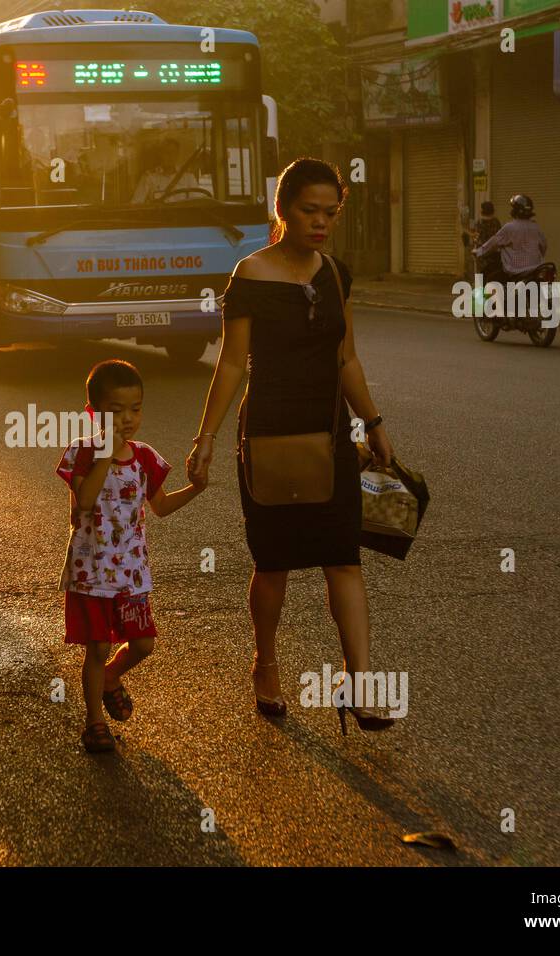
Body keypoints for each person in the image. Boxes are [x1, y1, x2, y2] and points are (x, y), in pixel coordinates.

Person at [185, 157, 398, 736]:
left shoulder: (335, 274)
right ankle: (266, 663)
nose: (322, 222)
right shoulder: (250, 276)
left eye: (331, 212)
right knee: (274, 564)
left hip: (329, 436)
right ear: (283, 210)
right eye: (310, 210)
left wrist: (373, 421)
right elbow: (231, 363)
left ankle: (360, 684)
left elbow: (345, 357)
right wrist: (205, 438)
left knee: (343, 557)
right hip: (271, 436)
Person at [56, 359, 208, 754]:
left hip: (132, 574)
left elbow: (159, 506)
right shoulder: (81, 453)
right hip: (91, 571)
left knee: (143, 644)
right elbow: (84, 502)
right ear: (94, 413)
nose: (127, 418)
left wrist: (196, 488)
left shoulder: (145, 458)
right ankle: (94, 722)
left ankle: (110, 678)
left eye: (135, 408)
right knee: (98, 646)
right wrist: (107, 450)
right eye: (115, 410)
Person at [474, 194, 546, 280]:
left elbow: (494, 242)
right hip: (535, 269)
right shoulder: (536, 227)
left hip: (515, 270)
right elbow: (544, 246)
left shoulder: (510, 227)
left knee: (488, 277)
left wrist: (479, 251)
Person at [130, 138, 202, 204]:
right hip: (158, 217)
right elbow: (136, 203)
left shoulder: (188, 178)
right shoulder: (149, 178)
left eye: (173, 152)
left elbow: (197, 203)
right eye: (166, 152)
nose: (170, 156)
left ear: (177, 155)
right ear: (160, 155)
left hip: (182, 217)